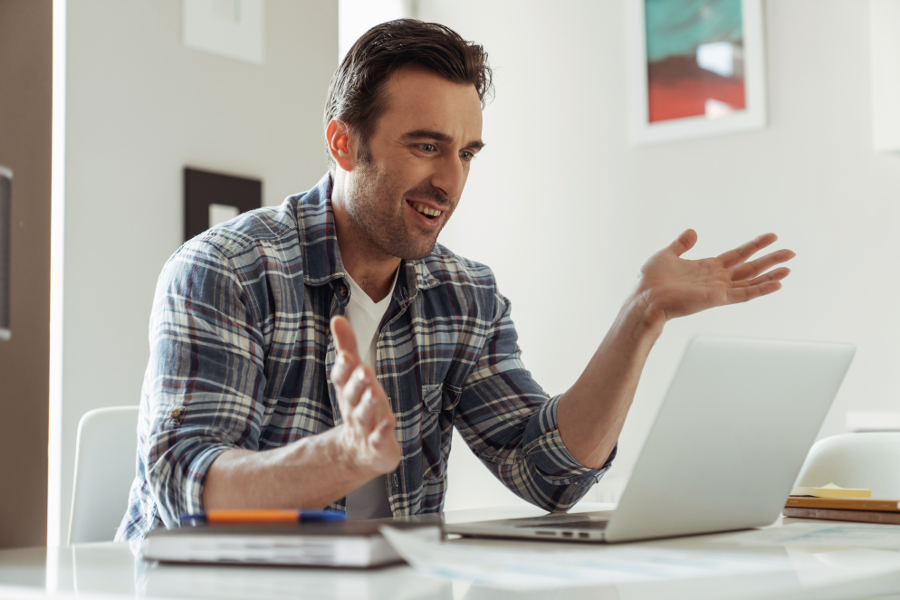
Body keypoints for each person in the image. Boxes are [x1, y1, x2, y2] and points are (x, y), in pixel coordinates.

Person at [116, 19, 794, 540]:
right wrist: (343, 457)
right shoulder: (225, 270)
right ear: (343, 142)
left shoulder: (462, 294)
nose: (450, 181)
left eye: (466, 153)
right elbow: (182, 485)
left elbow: (548, 472)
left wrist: (641, 316)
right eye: (426, 145)